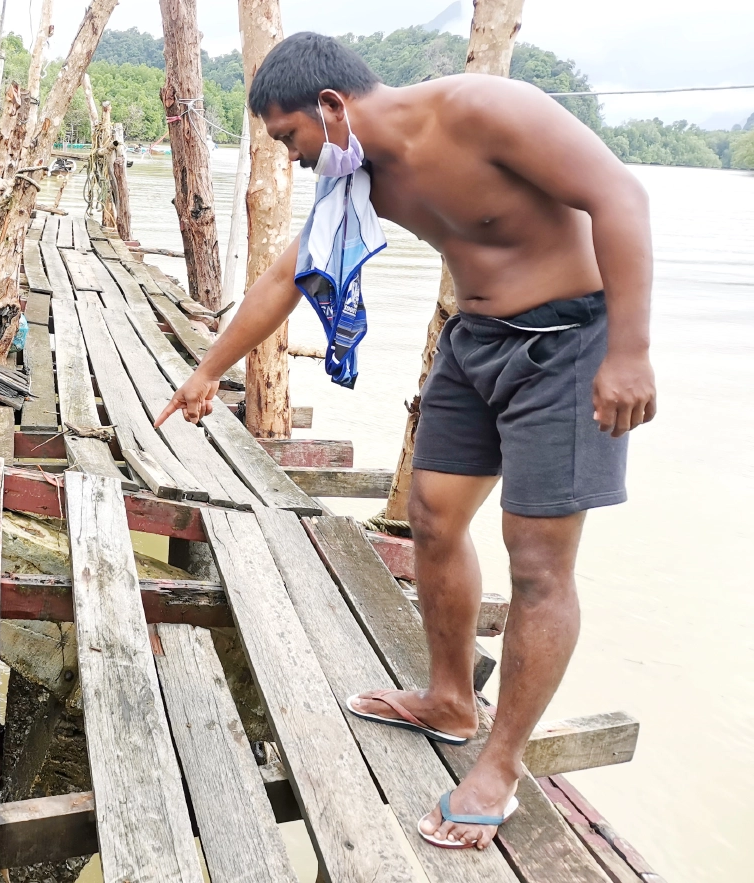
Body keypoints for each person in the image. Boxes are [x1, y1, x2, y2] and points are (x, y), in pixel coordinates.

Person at [155, 32, 656, 851]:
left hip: (569, 343)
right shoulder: (359, 176)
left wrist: (629, 351)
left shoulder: (485, 109)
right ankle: (451, 698)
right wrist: (208, 370)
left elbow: (620, 199)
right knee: (430, 517)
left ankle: (499, 761)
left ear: (332, 107)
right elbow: (289, 275)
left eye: (290, 139)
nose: (293, 157)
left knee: (536, 561)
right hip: (476, 339)